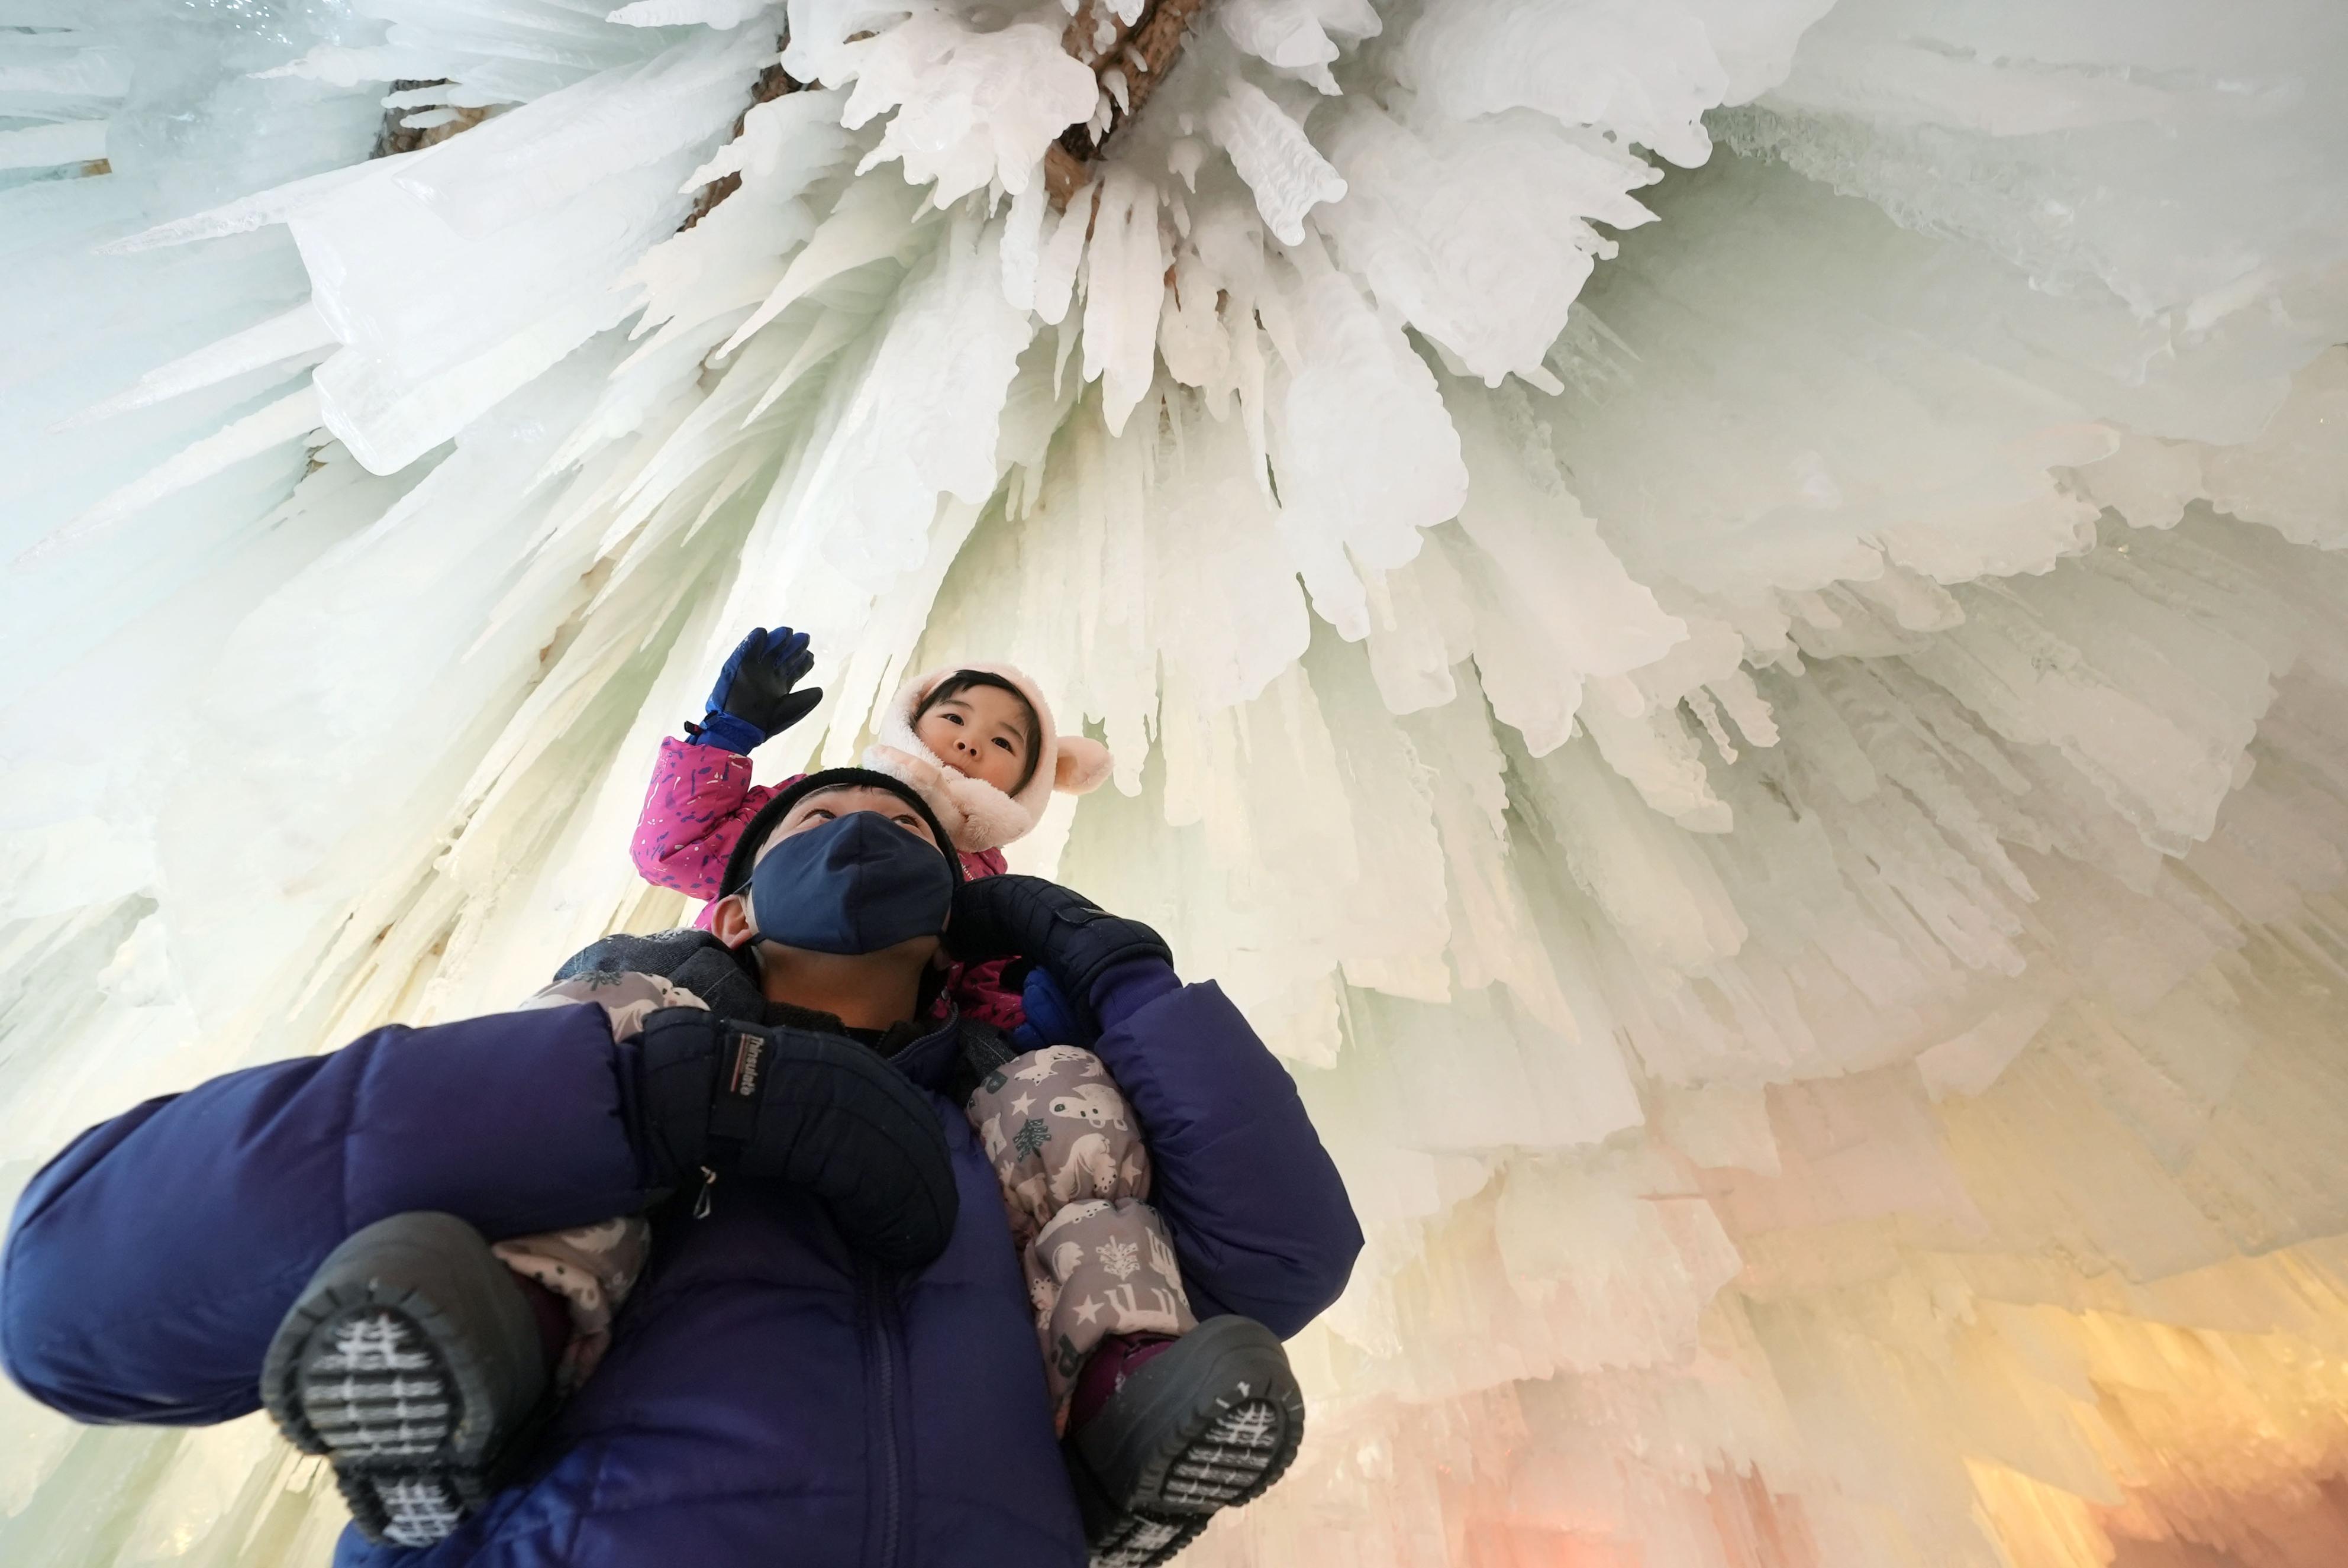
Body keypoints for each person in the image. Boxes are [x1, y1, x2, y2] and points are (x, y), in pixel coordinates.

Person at [0, 768, 1363, 1568]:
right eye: (818, 817)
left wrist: (1115, 966)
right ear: (728, 905)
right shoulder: (612, 1041)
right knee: (588, 1141)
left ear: (952, 927)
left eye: (902, 837)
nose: (860, 832)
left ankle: (1107, 1404)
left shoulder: (1012, 1121)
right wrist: (677, 1094)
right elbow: (69, 1296)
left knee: (1083, 1156)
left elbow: (1281, 1251)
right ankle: (483, 1366)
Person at [630, 625, 1111, 1036]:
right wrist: (723, 736)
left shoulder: (987, 889)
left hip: (883, 1056)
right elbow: (678, 851)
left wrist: (1033, 1022)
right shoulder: (815, 799)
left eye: (1002, 742)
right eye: (954, 717)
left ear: (1029, 786)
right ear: (910, 719)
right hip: (720, 1005)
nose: (969, 742)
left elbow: (980, 997)